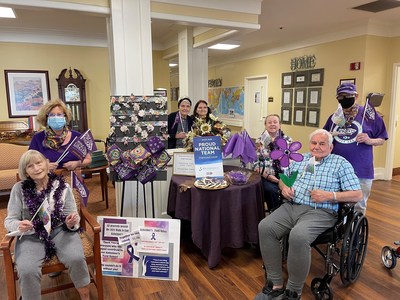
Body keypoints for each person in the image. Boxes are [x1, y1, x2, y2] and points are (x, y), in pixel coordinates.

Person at [255, 129, 362, 300]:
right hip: (291, 206)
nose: (317, 147)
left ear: (330, 146)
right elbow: (284, 178)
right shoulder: (300, 159)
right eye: (314, 143)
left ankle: (293, 291)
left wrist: (330, 195)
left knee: (298, 235)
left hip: (320, 212)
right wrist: (284, 188)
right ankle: (275, 284)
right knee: (265, 227)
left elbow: (357, 194)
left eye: (322, 144)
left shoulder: (340, 163)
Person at [4, 150, 90, 300]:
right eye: (30, 166)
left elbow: (72, 216)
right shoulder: (19, 189)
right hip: (32, 235)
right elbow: (9, 221)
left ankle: (85, 295)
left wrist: (70, 222)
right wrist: (19, 225)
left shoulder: (62, 186)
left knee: (76, 258)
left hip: (60, 230)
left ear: (46, 163)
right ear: (25, 171)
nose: (36, 168)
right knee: (27, 270)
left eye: (39, 163)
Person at [323, 82, 388, 215]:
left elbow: (382, 139)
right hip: (336, 169)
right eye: (340, 97)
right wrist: (328, 136)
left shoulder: (370, 116)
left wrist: (369, 140)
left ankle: (355, 232)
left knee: (358, 204)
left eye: (347, 96)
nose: (344, 99)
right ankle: (339, 232)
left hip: (361, 169)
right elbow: (324, 136)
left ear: (356, 96)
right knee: (335, 203)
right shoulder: (335, 117)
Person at [29, 99, 91, 172]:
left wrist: (77, 163)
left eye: (59, 114)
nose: (56, 117)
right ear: (46, 118)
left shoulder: (77, 137)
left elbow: (88, 159)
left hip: (72, 178)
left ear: (65, 117)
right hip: (46, 178)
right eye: (51, 115)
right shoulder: (38, 138)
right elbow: (30, 162)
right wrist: (44, 166)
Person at [253, 114, 292, 211]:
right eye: (269, 122)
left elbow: (293, 161)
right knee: (271, 190)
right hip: (265, 176)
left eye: (275, 122)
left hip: (284, 176)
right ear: (265, 125)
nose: (272, 124)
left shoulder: (287, 140)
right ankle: (275, 215)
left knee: (292, 189)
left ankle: (288, 214)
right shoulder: (259, 142)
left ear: (280, 125)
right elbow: (255, 164)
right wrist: (267, 176)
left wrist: (283, 179)